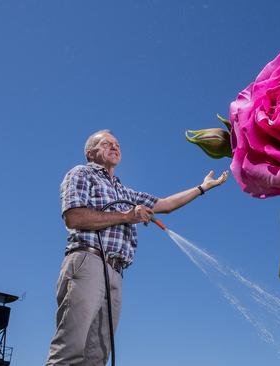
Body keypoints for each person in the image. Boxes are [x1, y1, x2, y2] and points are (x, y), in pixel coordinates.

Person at [46, 129, 228, 365]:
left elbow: (165, 205)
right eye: (106, 144)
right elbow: (75, 217)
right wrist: (126, 216)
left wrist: (202, 188)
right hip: (87, 260)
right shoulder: (81, 173)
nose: (115, 147)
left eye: (117, 144)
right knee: (70, 350)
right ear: (90, 153)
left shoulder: (124, 191)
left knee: (97, 356)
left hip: (115, 271)